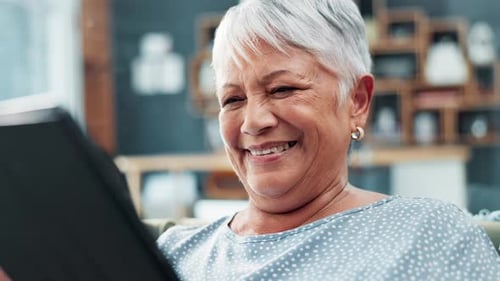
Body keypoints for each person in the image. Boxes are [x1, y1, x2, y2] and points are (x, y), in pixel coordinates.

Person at [158, 0, 500, 280]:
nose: (253, 121)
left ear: (357, 101)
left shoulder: (431, 236)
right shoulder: (172, 254)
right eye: (232, 100)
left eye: (283, 89)